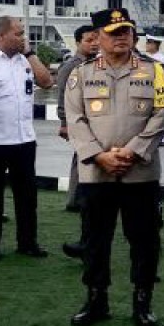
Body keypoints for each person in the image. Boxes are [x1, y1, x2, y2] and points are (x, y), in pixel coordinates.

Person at [64, 8, 164, 326]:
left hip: (140, 173)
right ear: (97, 37)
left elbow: (162, 115)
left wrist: (133, 151)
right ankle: (96, 300)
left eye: (126, 31)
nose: (121, 37)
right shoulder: (81, 73)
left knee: (145, 240)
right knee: (95, 240)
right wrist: (99, 156)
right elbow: (75, 119)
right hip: (97, 173)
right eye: (113, 33)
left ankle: (143, 302)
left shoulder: (155, 71)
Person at [0, 15, 54, 260]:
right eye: (18, 34)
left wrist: (29, 53)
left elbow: (47, 82)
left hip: (24, 140)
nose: (22, 38)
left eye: (23, 33)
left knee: (27, 196)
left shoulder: (25, 60)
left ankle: (27, 242)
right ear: (0, 35)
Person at [56, 24, 100, 230]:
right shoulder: (71, 66)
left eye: (96, 39)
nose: (94, 44)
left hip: (95, 120)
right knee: (82, 157)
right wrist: (64, 122)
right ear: (77, 42)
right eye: (89, 40)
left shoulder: (98, 64)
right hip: (77, 120)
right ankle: (75, 199)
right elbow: (62, 96)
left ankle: (80, 197)